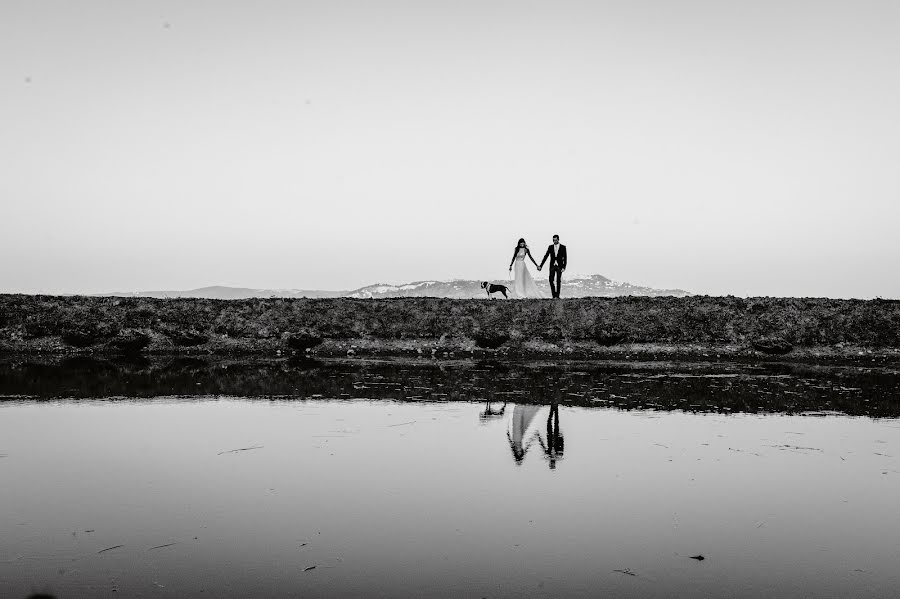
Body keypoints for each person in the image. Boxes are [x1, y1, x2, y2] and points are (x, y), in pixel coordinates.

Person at [538, 234, 567, 299]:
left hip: (559, 266)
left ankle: (557, 295)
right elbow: (546, 256)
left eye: (556, 240)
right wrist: (541, 266)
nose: (555, 241)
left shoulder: (563, 247)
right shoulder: (550, 247)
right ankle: (554, 295)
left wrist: (564, 267)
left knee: (558, 280)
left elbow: (565, 258)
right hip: (552, 266)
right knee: (551, 280)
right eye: (553, 240)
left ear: (558, 240)